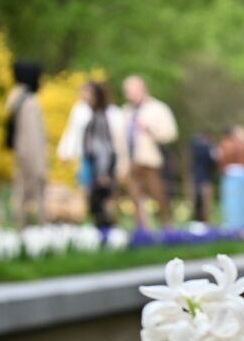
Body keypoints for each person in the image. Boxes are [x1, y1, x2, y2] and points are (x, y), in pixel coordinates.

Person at [121, 75, 178, 228]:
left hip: (152, 161)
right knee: (135, 197)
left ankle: (168, 227)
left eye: (130, 90)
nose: (127, 94)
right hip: (133, 161)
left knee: (160, 196)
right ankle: (142, 231)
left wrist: (149, 129)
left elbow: (170, 133)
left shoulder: (158, 108)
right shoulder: (126, 111)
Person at [6, 60, 47, 228]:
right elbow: (33, 137)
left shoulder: (15, 99)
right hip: (31, 156)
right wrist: (40, 166)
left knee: (21, 194)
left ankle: (21, 229)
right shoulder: (29, 102)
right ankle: (39, 229)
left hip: (20, 154)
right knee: (36, 195)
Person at [81, 82, 126, 228]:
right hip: (96, 165)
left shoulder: (101, 117)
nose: (83, 96)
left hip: (101, 168)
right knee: (98, 205)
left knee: (101, 205)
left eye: (87, 93)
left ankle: (109, 234)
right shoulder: (94, 115)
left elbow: (104, 147)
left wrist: (103, 172)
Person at [56, 82, 95, 209]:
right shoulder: (79, 109)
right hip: (83, 154)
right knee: (83, 185)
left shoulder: (101, 109)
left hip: (96, 154)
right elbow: (71, 131)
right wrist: (65, 151)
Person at [218, 125, 244, 230]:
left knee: (232, 200)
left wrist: (222, 169)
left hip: (231, 172)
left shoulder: (226, 143)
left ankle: (233, 224)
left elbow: (222, 158)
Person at [190, 131, 217, 223]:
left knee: (197, 199)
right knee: (205, 200)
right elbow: (211, 163)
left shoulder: (194, 147)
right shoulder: (208, 148)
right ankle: (205, 219)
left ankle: (197, 219)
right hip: (205, 177)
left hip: (195, 177)